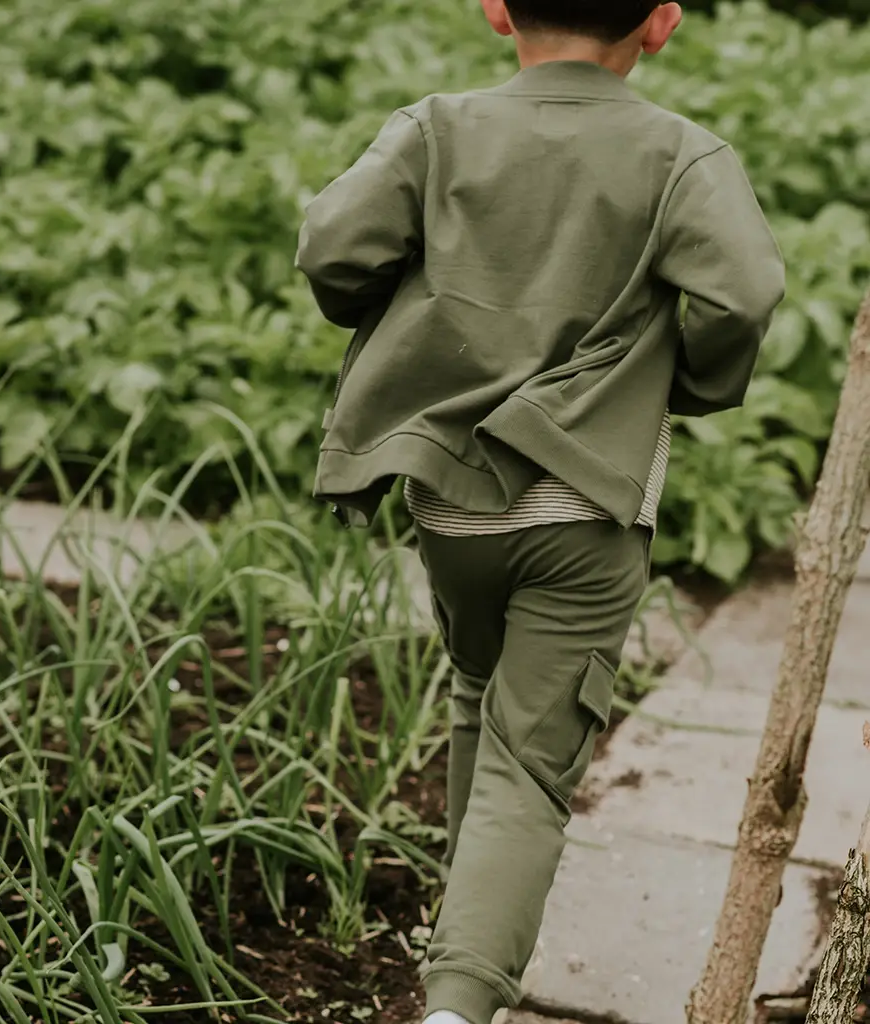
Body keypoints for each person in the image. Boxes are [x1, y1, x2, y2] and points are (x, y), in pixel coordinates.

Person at [295, 1, 785, 1022]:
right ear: (661, 24)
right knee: (529, 761)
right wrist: (676, 380)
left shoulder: (434, 129)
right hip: (583, 510)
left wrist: (406, 315)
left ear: (495, 8)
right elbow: (741, 292)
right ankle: (458, 1002)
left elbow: (334, 249)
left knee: (480, 694)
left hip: (450, 507)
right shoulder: (680, 156)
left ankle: (461, 929)